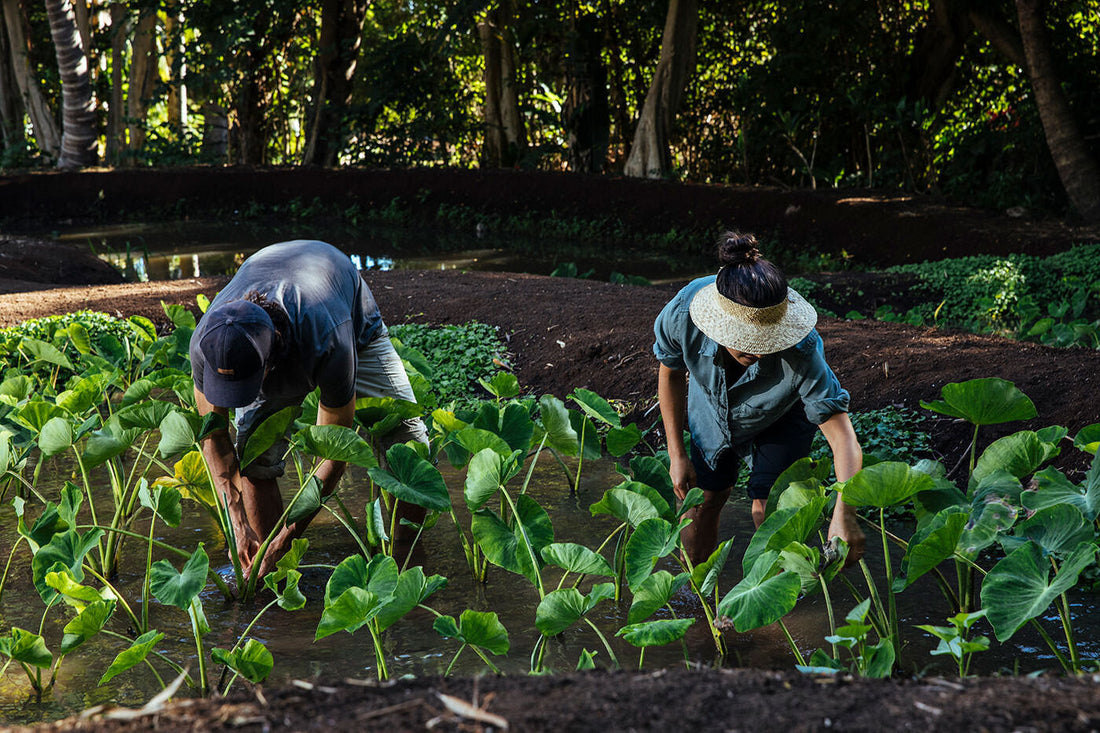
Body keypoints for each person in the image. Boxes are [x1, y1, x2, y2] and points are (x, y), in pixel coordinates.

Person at [189, 239, 428, 579]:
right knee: (256, 457)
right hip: (266, 287)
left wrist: (289, 537)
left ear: (270, 361)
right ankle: (268, 572)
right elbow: (213, 435)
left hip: (338, 302)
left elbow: (335, 449)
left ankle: (407, 555)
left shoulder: (327, 335)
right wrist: (237, 520)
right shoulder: (207, 342)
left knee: (408, 445)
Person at [653, 232, 865, 567]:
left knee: (768, 513)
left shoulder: (803, 349)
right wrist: (676, 454)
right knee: (701, 506)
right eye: (746, 339)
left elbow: (843, 438)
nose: (758, 350)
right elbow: (671, 373)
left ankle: (784, 611)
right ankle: (700, 604)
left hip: (782, 414)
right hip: (711, 410)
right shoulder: (684, 312)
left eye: (766, 339)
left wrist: (845, 513)